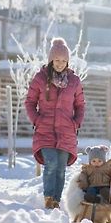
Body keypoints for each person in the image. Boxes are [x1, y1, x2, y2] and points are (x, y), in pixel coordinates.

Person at [25, 37, 85, 209]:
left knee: (61, 168)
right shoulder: (40, 78)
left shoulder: (74, 81)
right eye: (57, 60)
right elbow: (30, 102)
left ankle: (56, 201)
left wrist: (76, 123)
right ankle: (48, 198)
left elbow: (80, 105)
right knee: (50, 165)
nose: (60, 64)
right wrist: (36, 119)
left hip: (67, 131)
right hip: (45, 130)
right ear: (51, 60)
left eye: (64, 60)